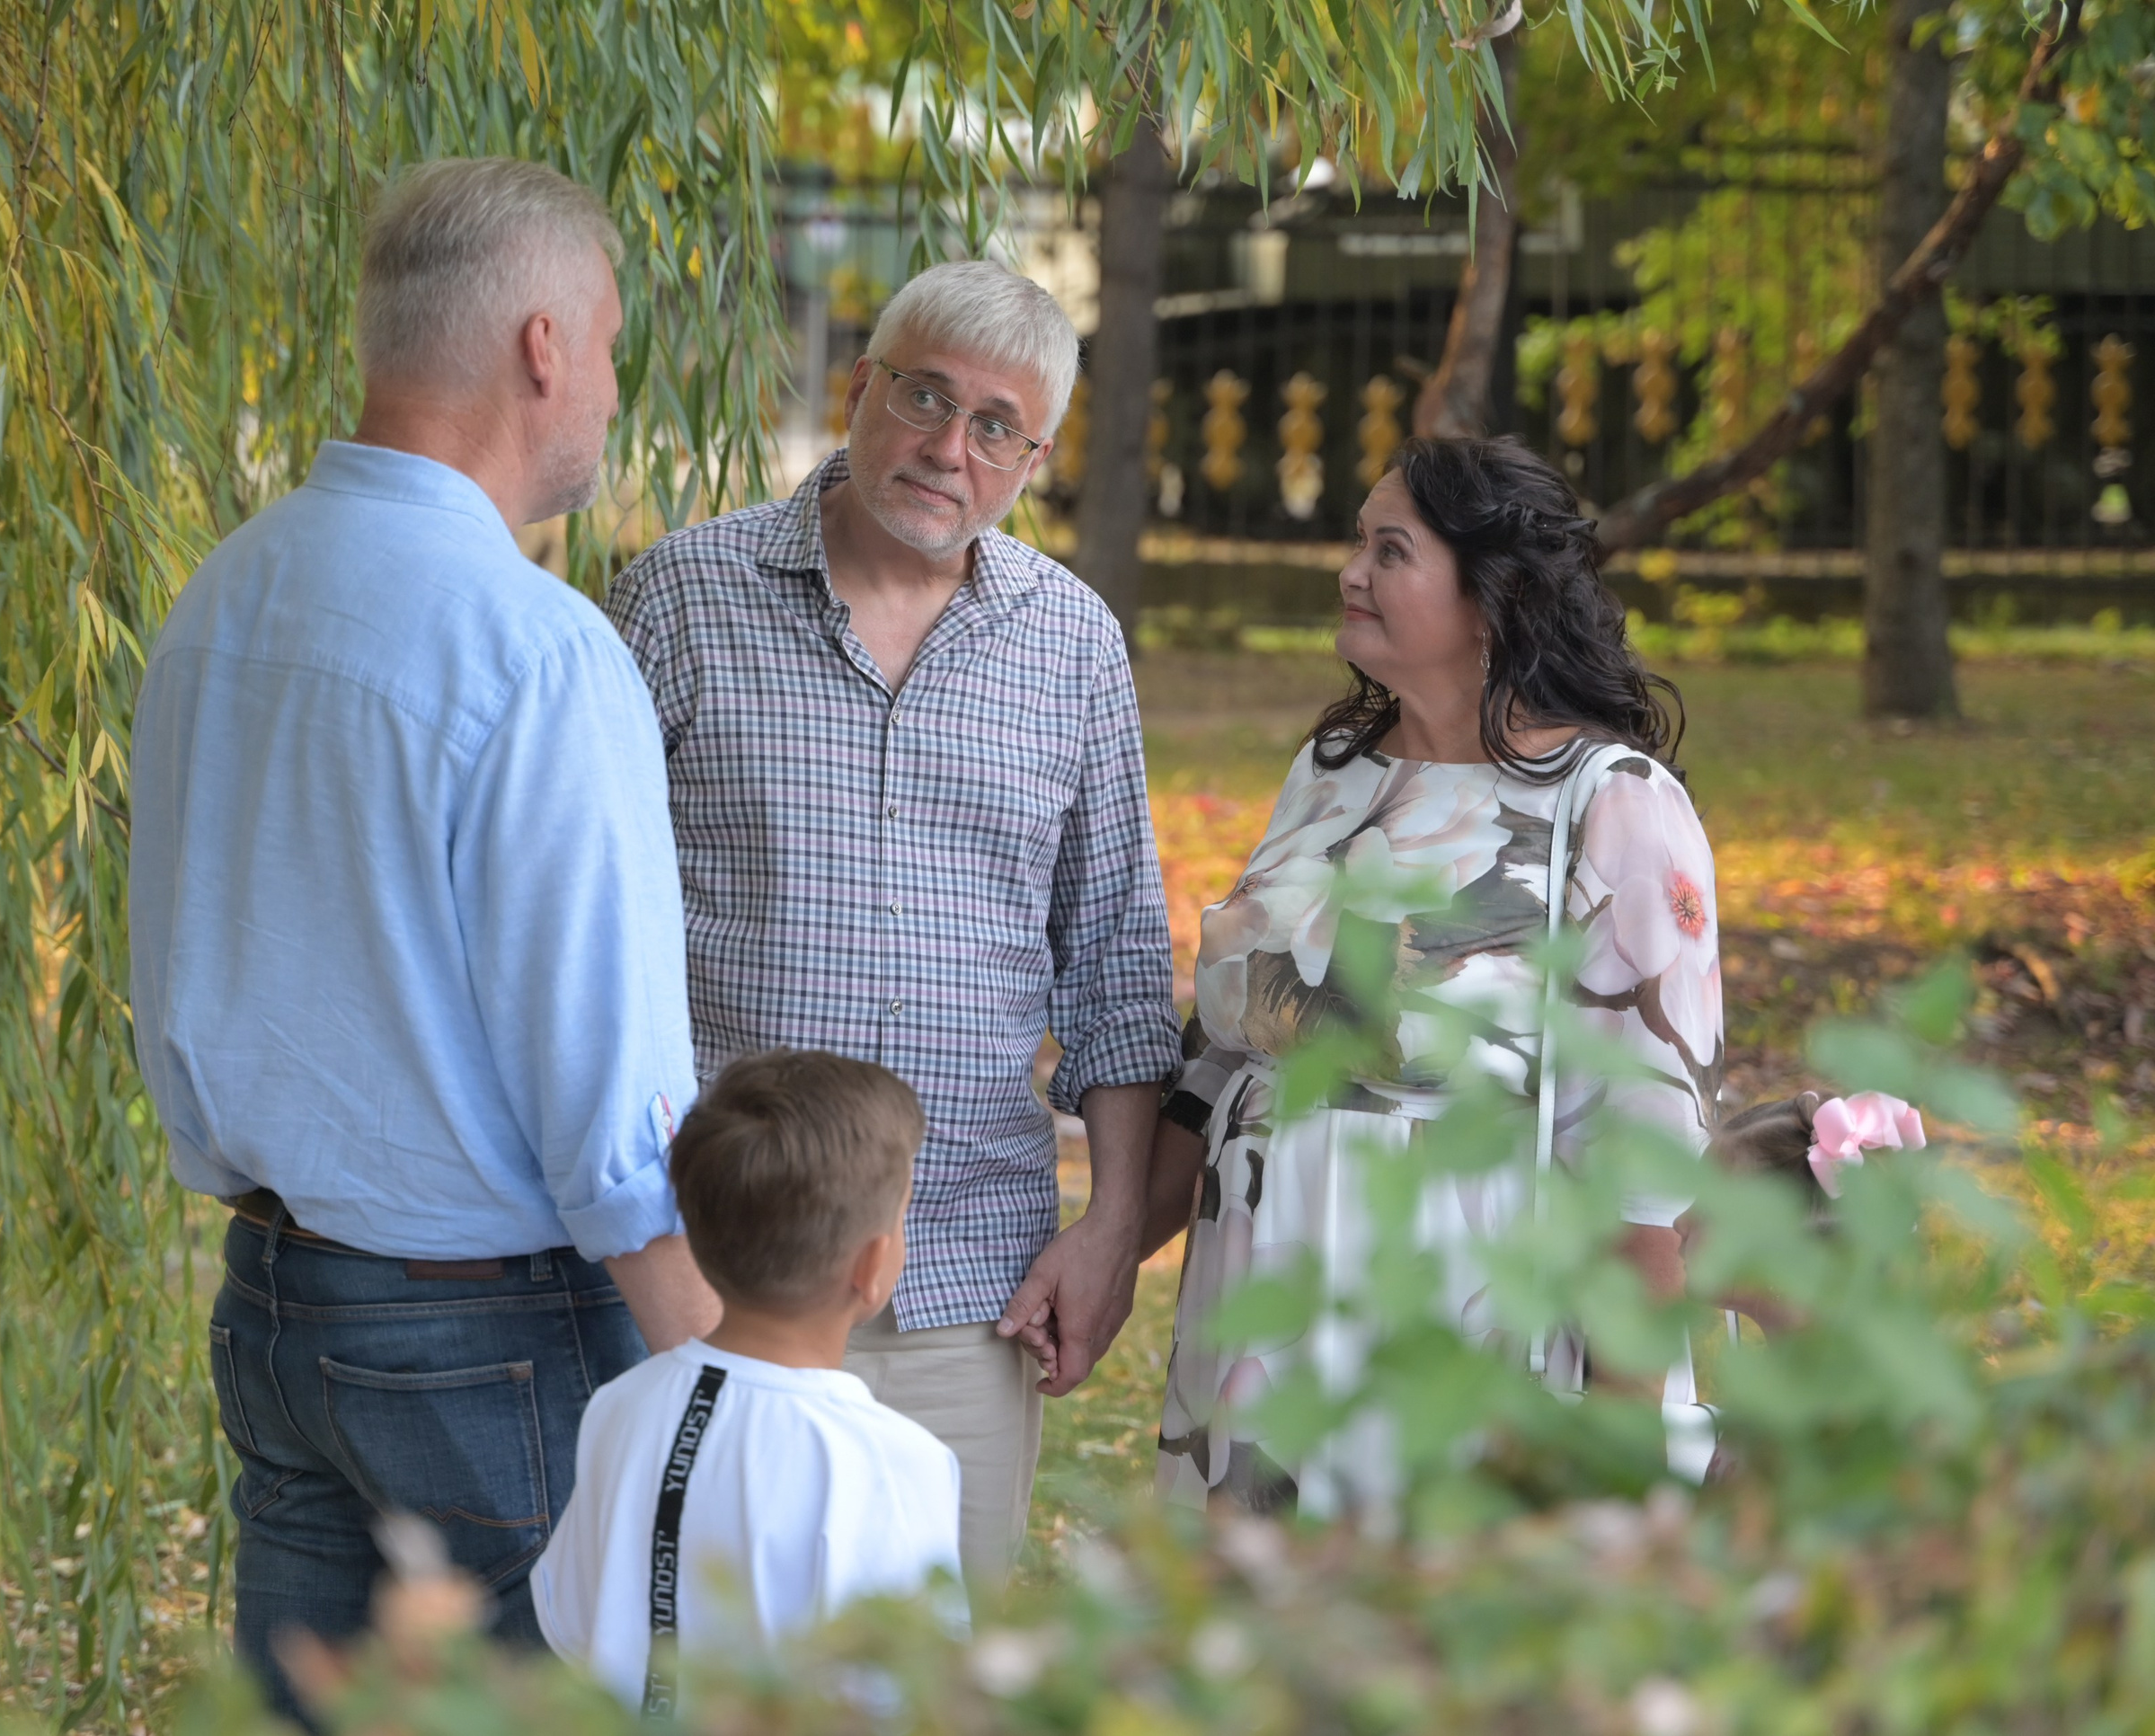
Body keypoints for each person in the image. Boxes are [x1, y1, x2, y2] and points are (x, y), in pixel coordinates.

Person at [127, 158, 719, 1710]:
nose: (604, 383)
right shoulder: (534, 649)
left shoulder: (225, 595)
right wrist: (725, 1372)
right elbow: (607, 1086)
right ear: (540, 348)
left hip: (274, 1298)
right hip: (491, 1325)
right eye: (603, 340)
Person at [606, 261, 1182, 1581]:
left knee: (926, 1681)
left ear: (1035, 456)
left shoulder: (1074, 647)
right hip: (711, 1269)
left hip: (962, 1279)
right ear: (860, 387)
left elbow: (1116, 963)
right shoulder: (681, 604)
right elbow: (587, 934)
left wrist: (1105, 1235)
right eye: (924, 396)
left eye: (996, 426)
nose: (947, 448)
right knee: (701, 1669)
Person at [1141, 436, 1722, 1518]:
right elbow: (1227, 1051)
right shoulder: (1329, 774)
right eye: (1357, 541)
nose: (1351, 571)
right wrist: (1108, 1247)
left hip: (1460, 1301)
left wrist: (1628, 1446)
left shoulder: (1614, 804)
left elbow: (1643, 1161)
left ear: (1489, 599)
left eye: (1390, 550)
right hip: (1263, 1283)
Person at [533, 1050, 963, 1710]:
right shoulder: (891, 1462)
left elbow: (571, 1623)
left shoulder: (620, 1407)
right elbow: (913, 1696)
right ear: (872, 1264)